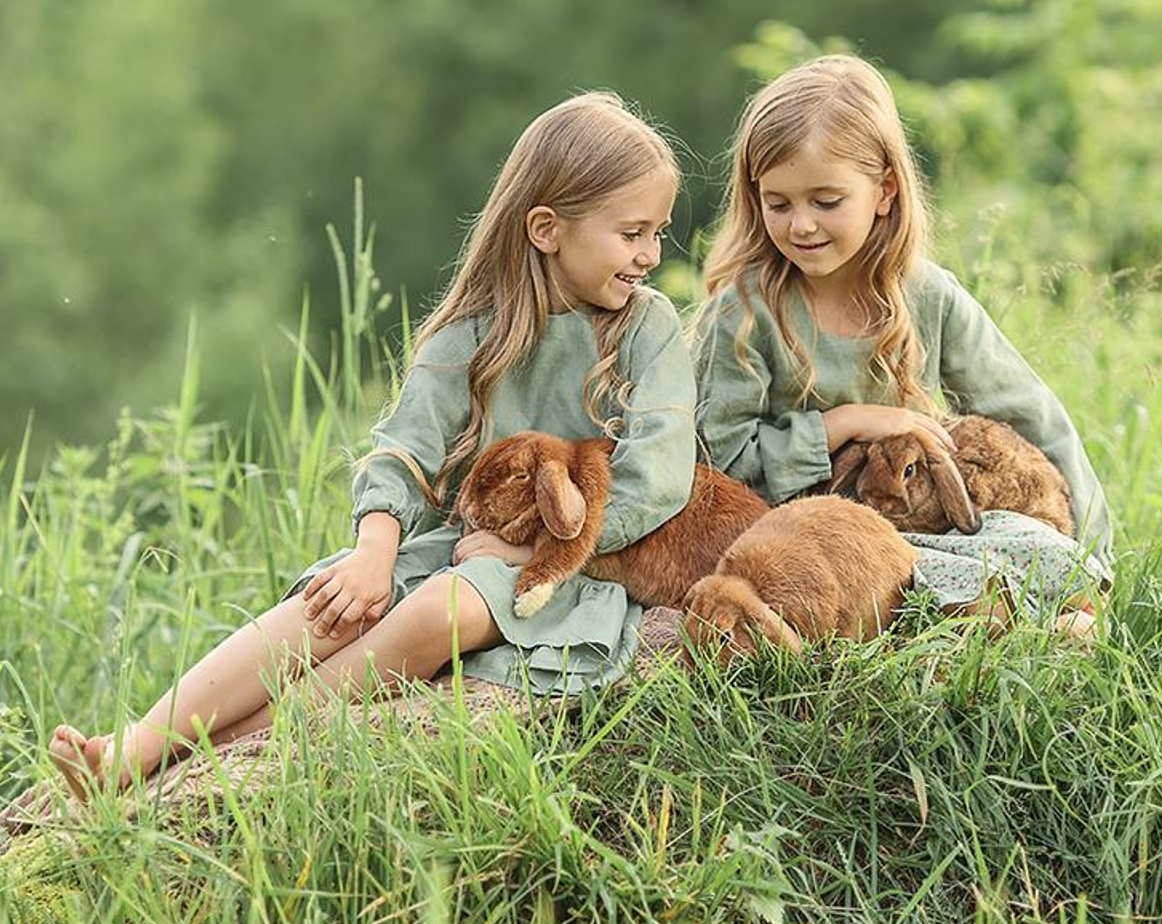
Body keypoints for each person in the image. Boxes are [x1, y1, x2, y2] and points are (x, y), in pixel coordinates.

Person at [50, 91, 696, 794]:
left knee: (438, 612)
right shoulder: (473, 331)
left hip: (570, 576)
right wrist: (373, 555)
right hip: (454, 551)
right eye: (632, 233)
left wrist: (535, 551)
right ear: (546, 228)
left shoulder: (645, 328)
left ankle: (213, 753)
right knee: (330, 607)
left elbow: (658, 475)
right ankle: (138, 743)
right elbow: (404, 449)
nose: (651, 255)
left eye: (658, 233)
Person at [693, 54, 1112, 636]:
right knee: (937, 596)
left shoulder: (926, 294)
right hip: (795, 543)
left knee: (1030, 549)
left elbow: (1031, 415)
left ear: (884, 191)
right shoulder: (745, 313)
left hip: (913, 528)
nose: (802, 226)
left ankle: (1051, 615)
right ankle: (978, 628)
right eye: (778, 203)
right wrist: (841, 424)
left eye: (827, 201)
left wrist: (1093, 549)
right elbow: (719, 461)